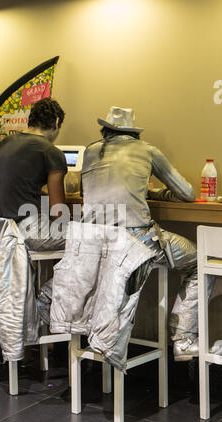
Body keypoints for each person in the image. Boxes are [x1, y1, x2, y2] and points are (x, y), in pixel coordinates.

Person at [81, 106, 214, 361]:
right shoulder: (147, 150)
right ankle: (184, 339)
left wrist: (147, 193)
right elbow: (186, 193)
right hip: (133, 244)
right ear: (134, 133)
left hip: (93, 245)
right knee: (200, 262)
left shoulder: (89, 151)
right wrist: (158, 193)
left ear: (105, 130)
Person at [0, 97, 67, 251]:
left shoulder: (7, 142)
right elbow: (58, 211)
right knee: (89, 238)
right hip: (28, 231)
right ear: (57, 122)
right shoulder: (51, 151)